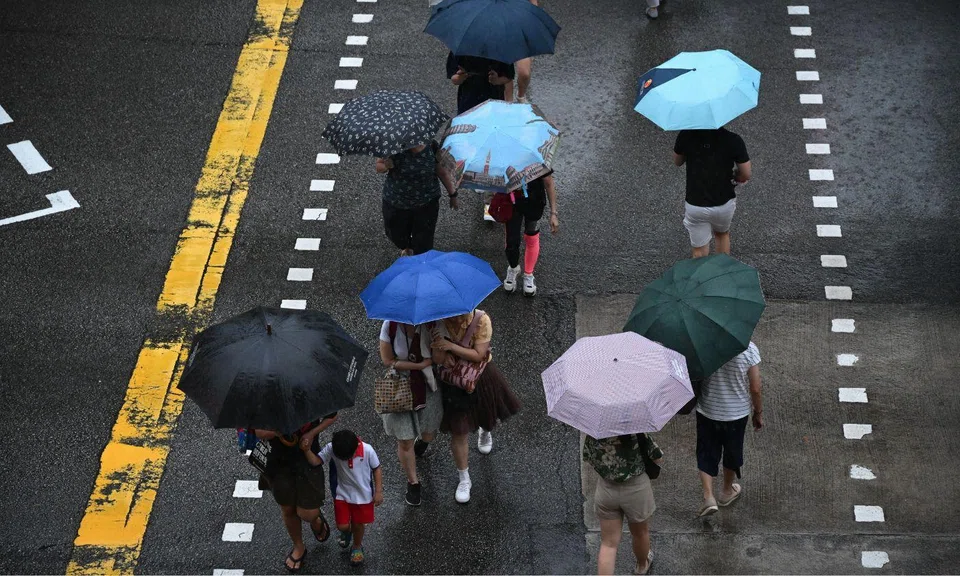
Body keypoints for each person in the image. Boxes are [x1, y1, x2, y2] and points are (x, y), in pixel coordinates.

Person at [430, 309, 521, 503]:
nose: (453, 319)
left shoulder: (481, 320)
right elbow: (436, 358)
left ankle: (485, 431)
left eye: (458, 315)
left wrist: (450, 347)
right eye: (450, 315)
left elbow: (479, 354)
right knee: (458, 431)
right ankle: (464, 479)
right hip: (453, 382)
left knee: (487, 414)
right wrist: (443, 356)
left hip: (480, 377)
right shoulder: (438, 322)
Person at [255, 415, 337, 573]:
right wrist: (278, 432)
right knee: (288, 509)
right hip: (277, 464)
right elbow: (259, 432)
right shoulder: (264, 398)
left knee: (308, 514)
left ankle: (316, 519)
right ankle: (299, 546)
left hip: (307, 458)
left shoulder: (312, 391)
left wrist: (312, 433)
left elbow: (332, 416)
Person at [378, 321, 444, 506]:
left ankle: (423, 442)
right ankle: (413, 482)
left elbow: (439, 360)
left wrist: (438, 344)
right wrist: (419, 365)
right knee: (405, 439)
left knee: (430, 430)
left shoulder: (433, 324)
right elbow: (387, 360)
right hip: (400, 384)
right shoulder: (389, 326)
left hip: (428, 382)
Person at [695, 341, 763, 517]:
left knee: (706, 452)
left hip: (708, 410)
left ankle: (708, 496)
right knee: (732, 452)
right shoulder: (749, 349)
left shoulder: (705, 346)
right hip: (736, 414)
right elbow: (755, 388)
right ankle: (726, 492)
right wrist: (758, 413)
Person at [447, 52, 515, 221]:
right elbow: (453, 79)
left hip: (493, 110)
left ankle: (489, 202)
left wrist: (498, 82)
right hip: (468, 109)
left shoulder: (501, 52)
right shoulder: (460, 51)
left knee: (492, 155)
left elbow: (508, 80)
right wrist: (461, 77)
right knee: (474, 150)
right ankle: (479, 180)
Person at [583, 433, 663, 576]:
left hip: (606, 489)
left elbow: (589, 457)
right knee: (640, 534)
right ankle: (642, 567)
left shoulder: (596, 433)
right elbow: (657, 457)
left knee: (608, 544)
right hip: (637, 489)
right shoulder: (637, 431)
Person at [303, 430, 383, 567]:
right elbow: (316, 461)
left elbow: (376, 468)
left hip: (363, 496)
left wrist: (379, 491)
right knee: (342, 525)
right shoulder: (332, 448)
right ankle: (347, 532)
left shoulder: (368, 450)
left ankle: (357, 546)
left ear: (357, 446)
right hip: (342, 494)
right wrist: (306, 450)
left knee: (358, 524)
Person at [673, 127, 752, 258]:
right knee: (721, 235)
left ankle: (701, 277)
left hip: (695, 204)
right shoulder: (733, 139)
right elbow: (746, 174)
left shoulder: (686, 135)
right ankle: (721, 273)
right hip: (723, 203)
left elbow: (677, 161)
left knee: (699, 250)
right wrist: (737, 177)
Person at [376, 142, 459, 257]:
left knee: (424, 241)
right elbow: (378, 166)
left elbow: (441, 171)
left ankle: (421, 262)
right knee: (397, 235)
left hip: (427, 203)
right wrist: (386, 166)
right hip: (396, 202)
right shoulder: (393, 147)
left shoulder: (433, 147)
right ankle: (407, 246)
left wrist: (453, 194)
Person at [502, 172, 560, 296]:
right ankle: (513, 268)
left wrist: (553, 213)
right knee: (512, 239)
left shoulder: (537, 157)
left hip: (535, 201)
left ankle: (528, 274)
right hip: (512, 202)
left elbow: (548, 181)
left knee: (532, 236)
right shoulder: (505, 155)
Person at [514, 0, 539, 102]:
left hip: (521, 27)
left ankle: (520, 96)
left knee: (524, 73)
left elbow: (534, 6)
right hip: (498, 23)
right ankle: (507, 102)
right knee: (504, 73)